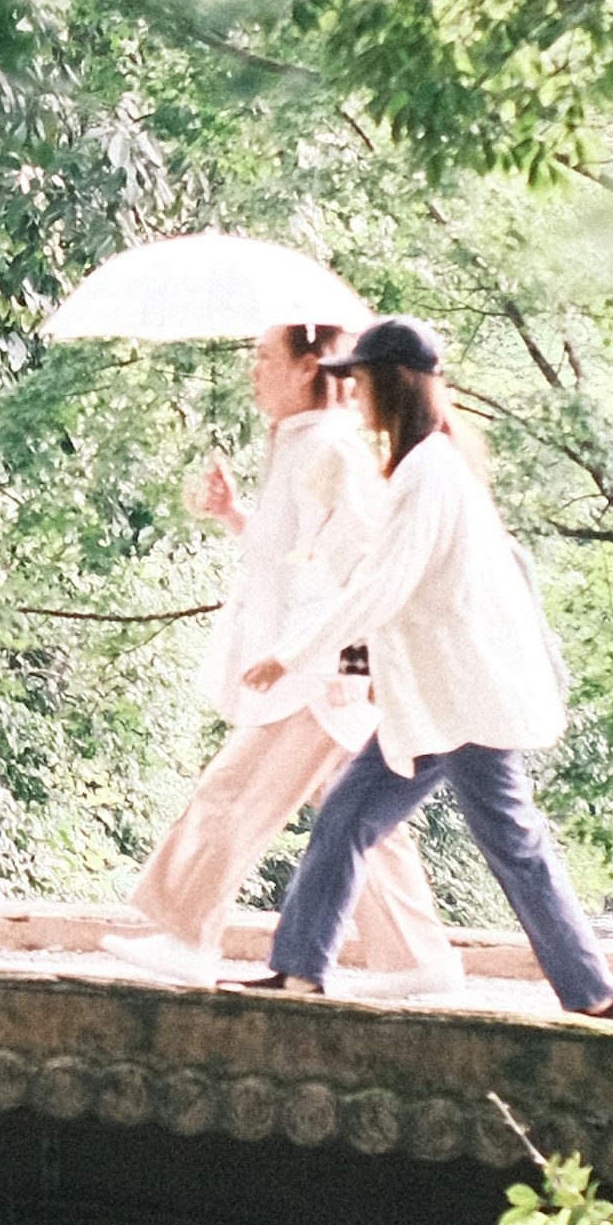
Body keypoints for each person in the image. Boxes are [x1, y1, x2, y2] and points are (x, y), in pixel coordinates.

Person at [245, 318, 613, 1017]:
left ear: (389, 384)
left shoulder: (430, 472)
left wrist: (290, 654)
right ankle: (298, 968)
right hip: (434, 705)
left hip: (466, 704)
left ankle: (596, 996)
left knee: (513, 846)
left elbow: (383, 587)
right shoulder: (426, 467)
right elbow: (380, 572)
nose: (353, 397)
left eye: (360, 383)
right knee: (346, 815)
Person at [104, 321, 461, 984]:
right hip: (311, 669)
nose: (253, 370)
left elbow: (366, 568)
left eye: (265, 356)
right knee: (359, 821)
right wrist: (237, 516)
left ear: (308, 366)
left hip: (316, 676)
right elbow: (300, 559)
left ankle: (187, 938)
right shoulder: (301, 445)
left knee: (230, 796)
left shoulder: (330, 450)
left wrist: (352, 667)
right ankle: (419, 959)